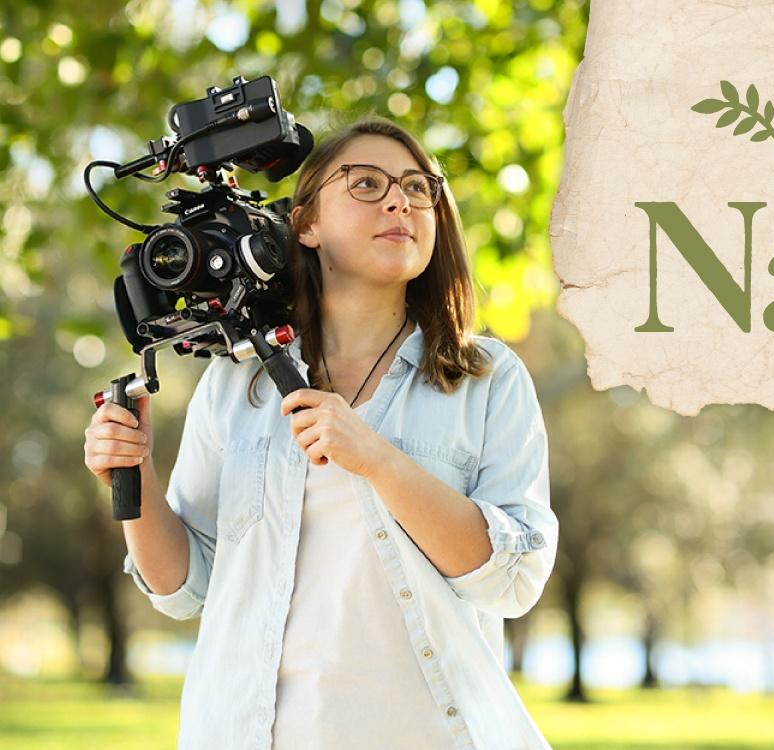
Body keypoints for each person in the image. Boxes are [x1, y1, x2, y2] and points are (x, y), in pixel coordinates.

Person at [82, 117, 557, 749]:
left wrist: (378, 460)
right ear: (305, 223)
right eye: (365, 184)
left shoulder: (485, 378)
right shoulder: (236, 385)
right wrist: (133, 470)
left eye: (420, 188)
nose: (400, 200)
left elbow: (511, 580)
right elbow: (185, 585)